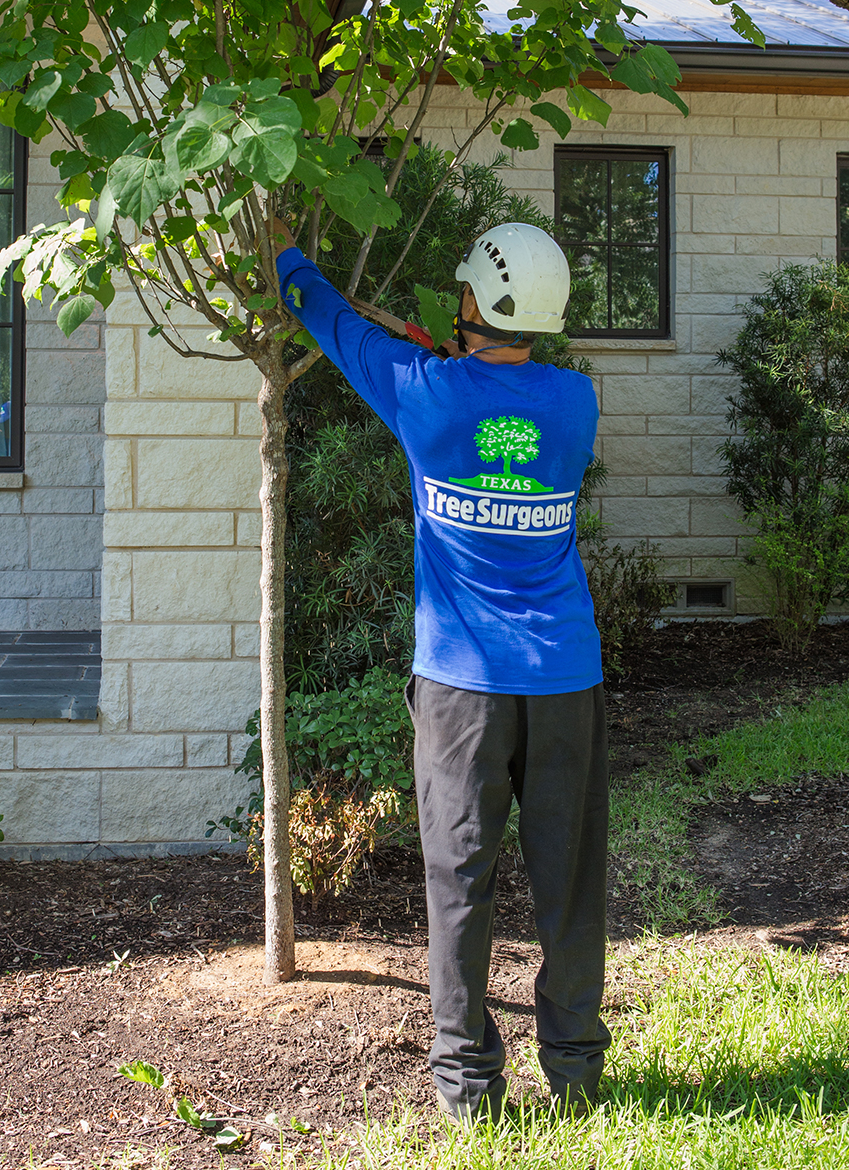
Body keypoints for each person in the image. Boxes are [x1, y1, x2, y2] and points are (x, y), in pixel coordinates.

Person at [272, 220, 609, 1123]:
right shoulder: (578, 403)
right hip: (566, 680)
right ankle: (577, 1075)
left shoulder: (424, 394)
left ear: (474, 302)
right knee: (570, 882)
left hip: (461, 686)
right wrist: (459, 352)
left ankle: (467, 1088)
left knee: (460, 881)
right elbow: (507, 398)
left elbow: (340, 328)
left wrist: (284, 258)